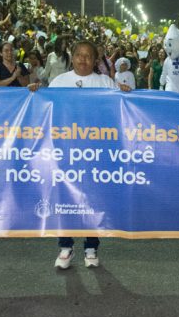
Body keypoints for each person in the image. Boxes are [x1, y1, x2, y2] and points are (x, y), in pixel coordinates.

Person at [29, 40, 127, 269]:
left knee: (93, 197)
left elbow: (117, 110)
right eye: (79, 55)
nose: (83, 60)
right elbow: (46, 108)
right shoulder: (59, 82)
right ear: (71, 58)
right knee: (64, 195)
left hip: (95, 151)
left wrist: (124, 93)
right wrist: (35, 93)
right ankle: (66, 246)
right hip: (65, 150)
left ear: (95, 60)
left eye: (88, 56)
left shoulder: (105, 82)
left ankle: (91, 247)